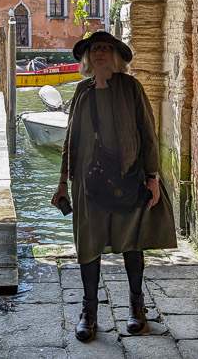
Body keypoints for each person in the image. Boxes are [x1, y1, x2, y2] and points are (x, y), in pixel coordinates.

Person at [51, 31, 176, 342]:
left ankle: (137, 309)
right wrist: (62, 183)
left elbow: (148, 134)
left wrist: (152, 176)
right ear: (88, 58)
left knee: (131, 241)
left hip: (127, 177)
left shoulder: (131, 87)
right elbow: (70, 141)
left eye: (106, 48)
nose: (100, 53)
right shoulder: (82, 91)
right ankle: (88, 314)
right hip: (87, 182)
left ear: (116, 56)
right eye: (95, 49)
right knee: (89, 245)